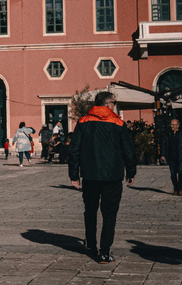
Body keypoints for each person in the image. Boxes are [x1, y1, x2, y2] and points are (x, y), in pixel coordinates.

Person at [69, 91, 136, 264]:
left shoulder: (83, 122)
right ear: (107, 104)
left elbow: (74, 150)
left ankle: (91, 244)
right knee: (109, 214)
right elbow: (128, 150)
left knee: (90, 210)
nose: (114, 104)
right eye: (113, 102)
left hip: (90, 175)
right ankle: (104, 252)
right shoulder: (119, 123)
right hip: (112, 176)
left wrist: (74, 175)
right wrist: (131, 172)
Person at [161, 118, 182, 195]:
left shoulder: (180, 134)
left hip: (180, 157)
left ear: (178, 126)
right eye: (171, 124)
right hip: (171, 157)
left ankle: (180, 188)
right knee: (173, 175)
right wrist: (163, 155)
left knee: (181, 172)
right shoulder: (168, 134)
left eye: (173, 125)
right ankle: (175, 189)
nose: (172, 126)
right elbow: (164, 144)